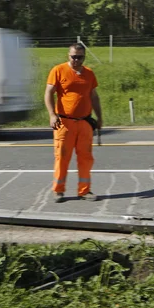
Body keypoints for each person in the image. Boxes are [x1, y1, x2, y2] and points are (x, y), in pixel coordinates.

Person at [44, 43, 102, 203]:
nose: (76, 60)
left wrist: (99, 118)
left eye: (80, 57)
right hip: (64, 122)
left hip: (84, 122)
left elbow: (94, 97)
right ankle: (58, 190)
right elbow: (48, 93)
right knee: (62, 157)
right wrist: (52, 115)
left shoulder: (89, 74)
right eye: (73, 56)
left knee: (86, 157)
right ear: (68, 55)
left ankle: (84, 191)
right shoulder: (58, 70)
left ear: (84, 57)